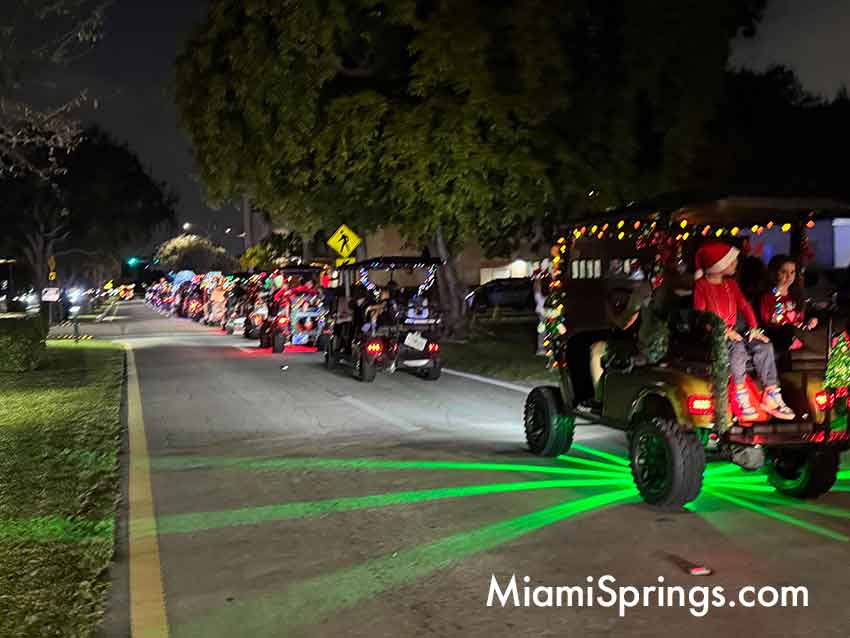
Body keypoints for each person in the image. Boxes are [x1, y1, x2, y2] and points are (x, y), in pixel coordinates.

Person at [693, 242, 795, 421]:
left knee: (764, 345)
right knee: (737, 348)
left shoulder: (731, 284)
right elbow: (700, 316)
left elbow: (744, 306)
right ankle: (740, 393)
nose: (735, 265)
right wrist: (722, 330)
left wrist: (754, 328)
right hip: (714, 334)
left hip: (737, 330)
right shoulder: (702, 286)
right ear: (719, 265)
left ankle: (771, 393)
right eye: (732, 262)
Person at [759, 255, 817, 351]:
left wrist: (812, 320)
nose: (789, 276)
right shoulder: (768, 297)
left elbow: (803, 316)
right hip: (781, 336)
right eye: (784, 272)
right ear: (774, 273)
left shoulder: (796, 295)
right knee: (788, 331)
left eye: (792, 272)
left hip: (801, 333)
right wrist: (779, 314)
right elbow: (768, 322)